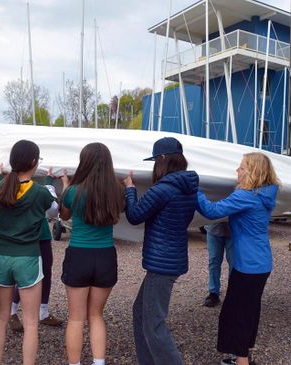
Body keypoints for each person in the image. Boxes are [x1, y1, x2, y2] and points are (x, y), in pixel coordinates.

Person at [197, 152, 280, 365]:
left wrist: (193, 188)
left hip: (248, 266)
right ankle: (242, 356)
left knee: (238, 315)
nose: (237, 170)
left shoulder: (246, 197)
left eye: (241, 167)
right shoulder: (265, 193)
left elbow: (210, 210)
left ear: (252, 171)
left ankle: (241, 360)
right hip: (261, 263)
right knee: (248, 311)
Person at [123, 137, 199, 365]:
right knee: (140, 313)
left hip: (161, 264)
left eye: (156, 160)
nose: (155, 165)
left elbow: (135, 215)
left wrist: (129, 190)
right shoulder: (188, 187)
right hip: (171, 260)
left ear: (163, 159)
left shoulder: (164, 189)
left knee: (154, 324)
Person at [0, 140, 56, 365]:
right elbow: (55, 210)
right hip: (27, 258)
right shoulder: (40, 192)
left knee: (1, 317)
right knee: (31, 322)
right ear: (35, 162)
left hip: (0, 257)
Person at [59, 142, 124, 365]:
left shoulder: (73, 191)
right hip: (105, 256)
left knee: (76, 318)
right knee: (96, 315)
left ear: (83, 162)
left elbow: (64, 216)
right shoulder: (117, 190)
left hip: (79, 255)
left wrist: (66, 186)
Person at [9, 169, 63, 331]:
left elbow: (43, 196)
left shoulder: (38, 188)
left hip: (42, 236)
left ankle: (43, 313)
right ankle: (11, 312)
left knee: (45, 272)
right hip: (22, 237)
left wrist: (48, 179)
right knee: (23, 275)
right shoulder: (10, 186)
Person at [204, 222, 233, 307]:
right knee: (213, 261)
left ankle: (233, 293)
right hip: (214, 228)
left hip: (234, 229)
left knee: (234, 263)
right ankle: (213, 293)